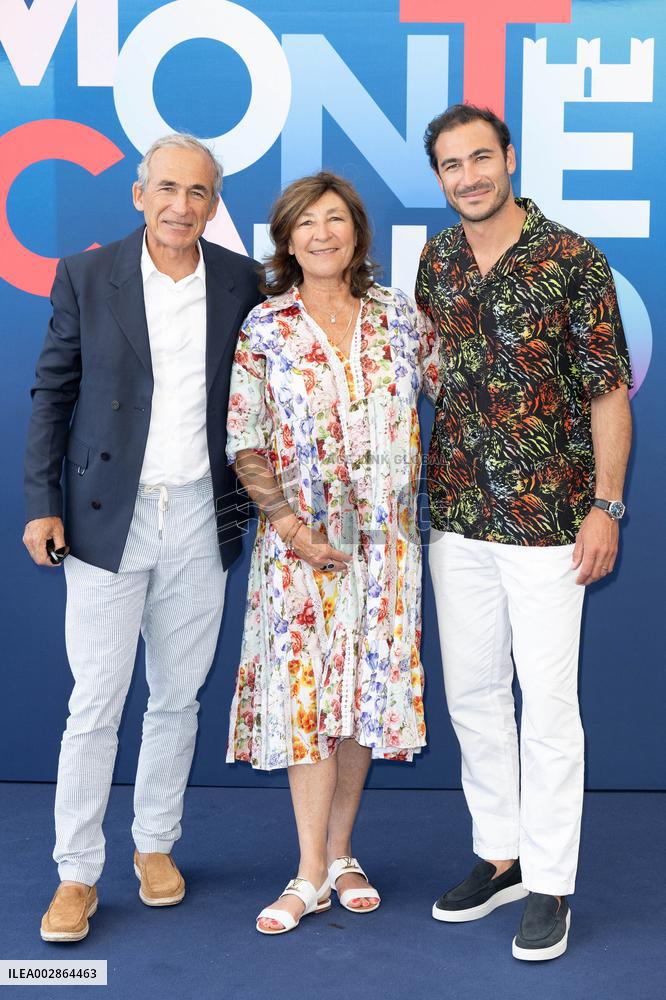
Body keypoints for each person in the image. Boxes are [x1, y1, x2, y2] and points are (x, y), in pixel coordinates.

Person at [23, 133, 262, 942]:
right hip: (102, 518)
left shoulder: (243, 282)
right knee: (94, 703)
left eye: (198, 193)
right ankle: (75, 874)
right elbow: (51, 393)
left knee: (177, 696)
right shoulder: (88, 276)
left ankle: (155, 844)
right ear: (138, 193)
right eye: (167, 188)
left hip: (201, 512)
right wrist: (38, 502)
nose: (180, 206)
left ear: (213, 203)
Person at [416, 104, 632, 961]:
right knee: (473, 696)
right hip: (456, 515)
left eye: (479, 159)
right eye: (449, 165)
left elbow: (609, 393)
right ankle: (500, 853)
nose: (466, 177)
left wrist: (605, 505)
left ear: (509, 158)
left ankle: (550, 883)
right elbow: (437, 367)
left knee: (547, 709)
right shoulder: (435, 257)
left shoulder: (575, 261)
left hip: (550, 522)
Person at [226, 172, 440, 934]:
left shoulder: (401, 320)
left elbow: (460, 395)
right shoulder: (266, 328)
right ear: (287, 239)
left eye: (337, 219)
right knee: (311, 703)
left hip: (386, 553)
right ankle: (309, 871)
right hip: (299, 553)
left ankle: (343, 852)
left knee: (361, 702)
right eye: (306, 222)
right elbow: (246, 439)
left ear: (357, 233)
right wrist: (288, 526)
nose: (323, 233)